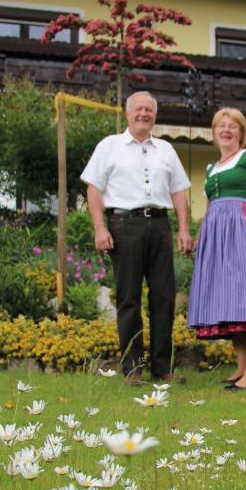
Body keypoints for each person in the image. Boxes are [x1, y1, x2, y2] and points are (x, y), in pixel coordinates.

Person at [81, 91, 192, 385]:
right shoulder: (110, 146)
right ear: (127, 114)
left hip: (159, 226)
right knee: (129, 298)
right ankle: (132, 369)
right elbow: (93, 189)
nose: (144, 113)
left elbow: (179, 191)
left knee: (164, 298)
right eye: (139, 109)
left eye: (149, 109)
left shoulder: (166, 150)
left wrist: (183, 229)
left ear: (154, 115)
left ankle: (162, 368)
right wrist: (99, 228)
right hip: (124, 225)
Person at [187, 107, 246, 390]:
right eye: (221, 125)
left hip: (244, 228)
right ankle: (242, 366)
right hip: (217, 235)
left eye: (233, 126)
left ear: (241, 133)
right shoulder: (211, 168)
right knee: (230, 298)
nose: (226, 130)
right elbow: (209, 207)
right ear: (214, 132)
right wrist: (201, 238)